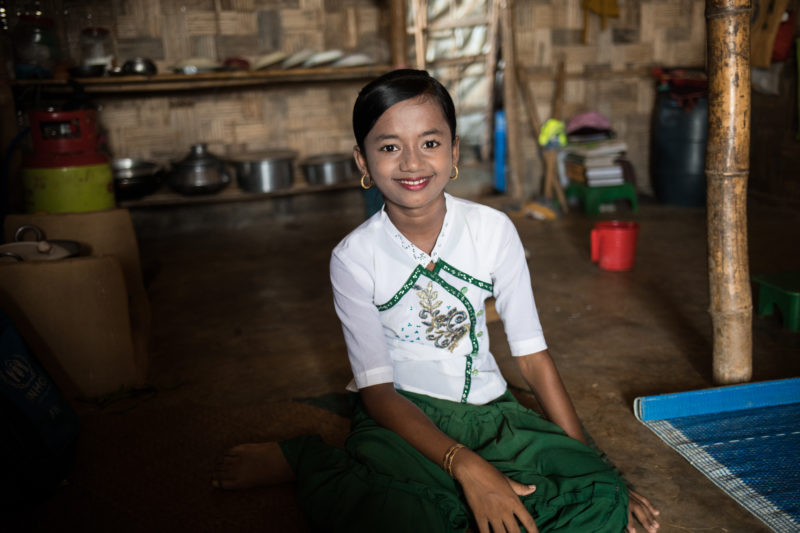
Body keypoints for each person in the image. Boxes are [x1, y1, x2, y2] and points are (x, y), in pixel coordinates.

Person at [213, 69, 660, 533]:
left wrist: (597, 465)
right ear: (362, 162)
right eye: (389, 147)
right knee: (409, 517)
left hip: (494, 414)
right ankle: (307, 458)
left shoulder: (492, 230)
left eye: (429, 143)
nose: (412, 162)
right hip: (405, 421)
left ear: (454, 152)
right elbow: (379, 393)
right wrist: (466, 466)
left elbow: (533, 360)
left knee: (602, 498)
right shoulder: (353, 257)